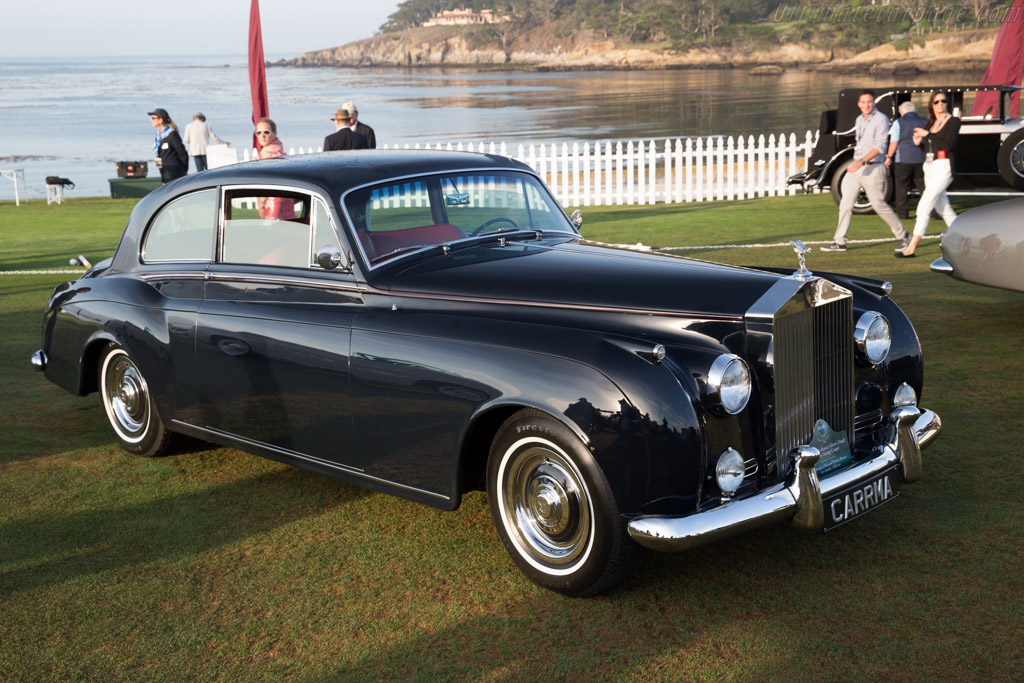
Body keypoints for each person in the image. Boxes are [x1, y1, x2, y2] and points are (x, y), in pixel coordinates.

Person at [821, 90, 909, 253]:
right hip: (857, 167)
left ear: (874, 102)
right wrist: (856, 162)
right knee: (845, 204)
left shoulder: (881, 119)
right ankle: (840, 242)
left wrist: (861, 161)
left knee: (878, 204)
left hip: (873, 167)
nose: (866, 105)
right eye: (863, 102)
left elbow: (880, 147)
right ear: (859, 104)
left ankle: (902, 234)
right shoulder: (859, 119)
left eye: (869, 101)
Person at [897, 92, 962, 258]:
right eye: (937, 101)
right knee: (943, 208)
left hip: (943, 167)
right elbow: (929, 149)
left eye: (943, 101)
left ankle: (911, 247)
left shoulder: (953, 121)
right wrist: (919, 144)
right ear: (932, 105)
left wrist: (928, 135)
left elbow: (948, 145)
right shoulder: (931, 122)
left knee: (924, 206)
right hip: (929, 166)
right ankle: (964, 239)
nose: (940, 104)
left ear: (947, 103)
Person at [884, 101, 927, 220]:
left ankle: (903, 214)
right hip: (921, 159)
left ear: (902, 113)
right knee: (924, 187)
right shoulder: (925, 121)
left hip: (903, 159)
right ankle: (929, 211)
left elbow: (894, 142)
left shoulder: (899, 122)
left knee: (902, 188)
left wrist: (888, 157)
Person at [254, 118, 294, 220]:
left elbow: (279, 187)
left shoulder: (276, 156)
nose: (262, 136)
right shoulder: (265, 154)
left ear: (275, 133)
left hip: (276, 209)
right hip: (270, 205)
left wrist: (275, 213)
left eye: (266, 132)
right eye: (258, 133)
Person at [149, 108, 188, 184]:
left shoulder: (171, 134)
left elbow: (182, 153)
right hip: (165, 174)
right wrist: (162, 173)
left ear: (161, 120)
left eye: (153, 118)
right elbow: (159, 156)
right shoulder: (158, 136)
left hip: (175, 174)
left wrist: (184, 169)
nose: (151, 120)